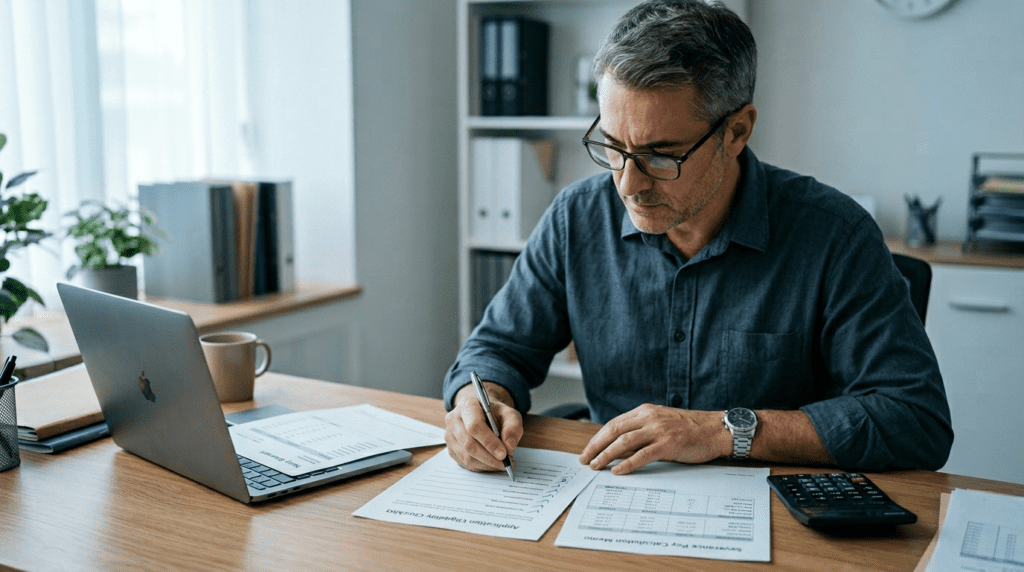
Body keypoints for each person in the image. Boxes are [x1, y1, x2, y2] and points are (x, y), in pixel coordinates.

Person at [443, 0, 952, 477]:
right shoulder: (576, 218)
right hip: (611, 501)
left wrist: (722, 429)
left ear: (737, 132)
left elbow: (915, 418)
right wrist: (477, 399)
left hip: (773, 520)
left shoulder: (835, 236)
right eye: (613, 146)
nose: (627, 184)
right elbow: (498, 348)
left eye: (661, 156)